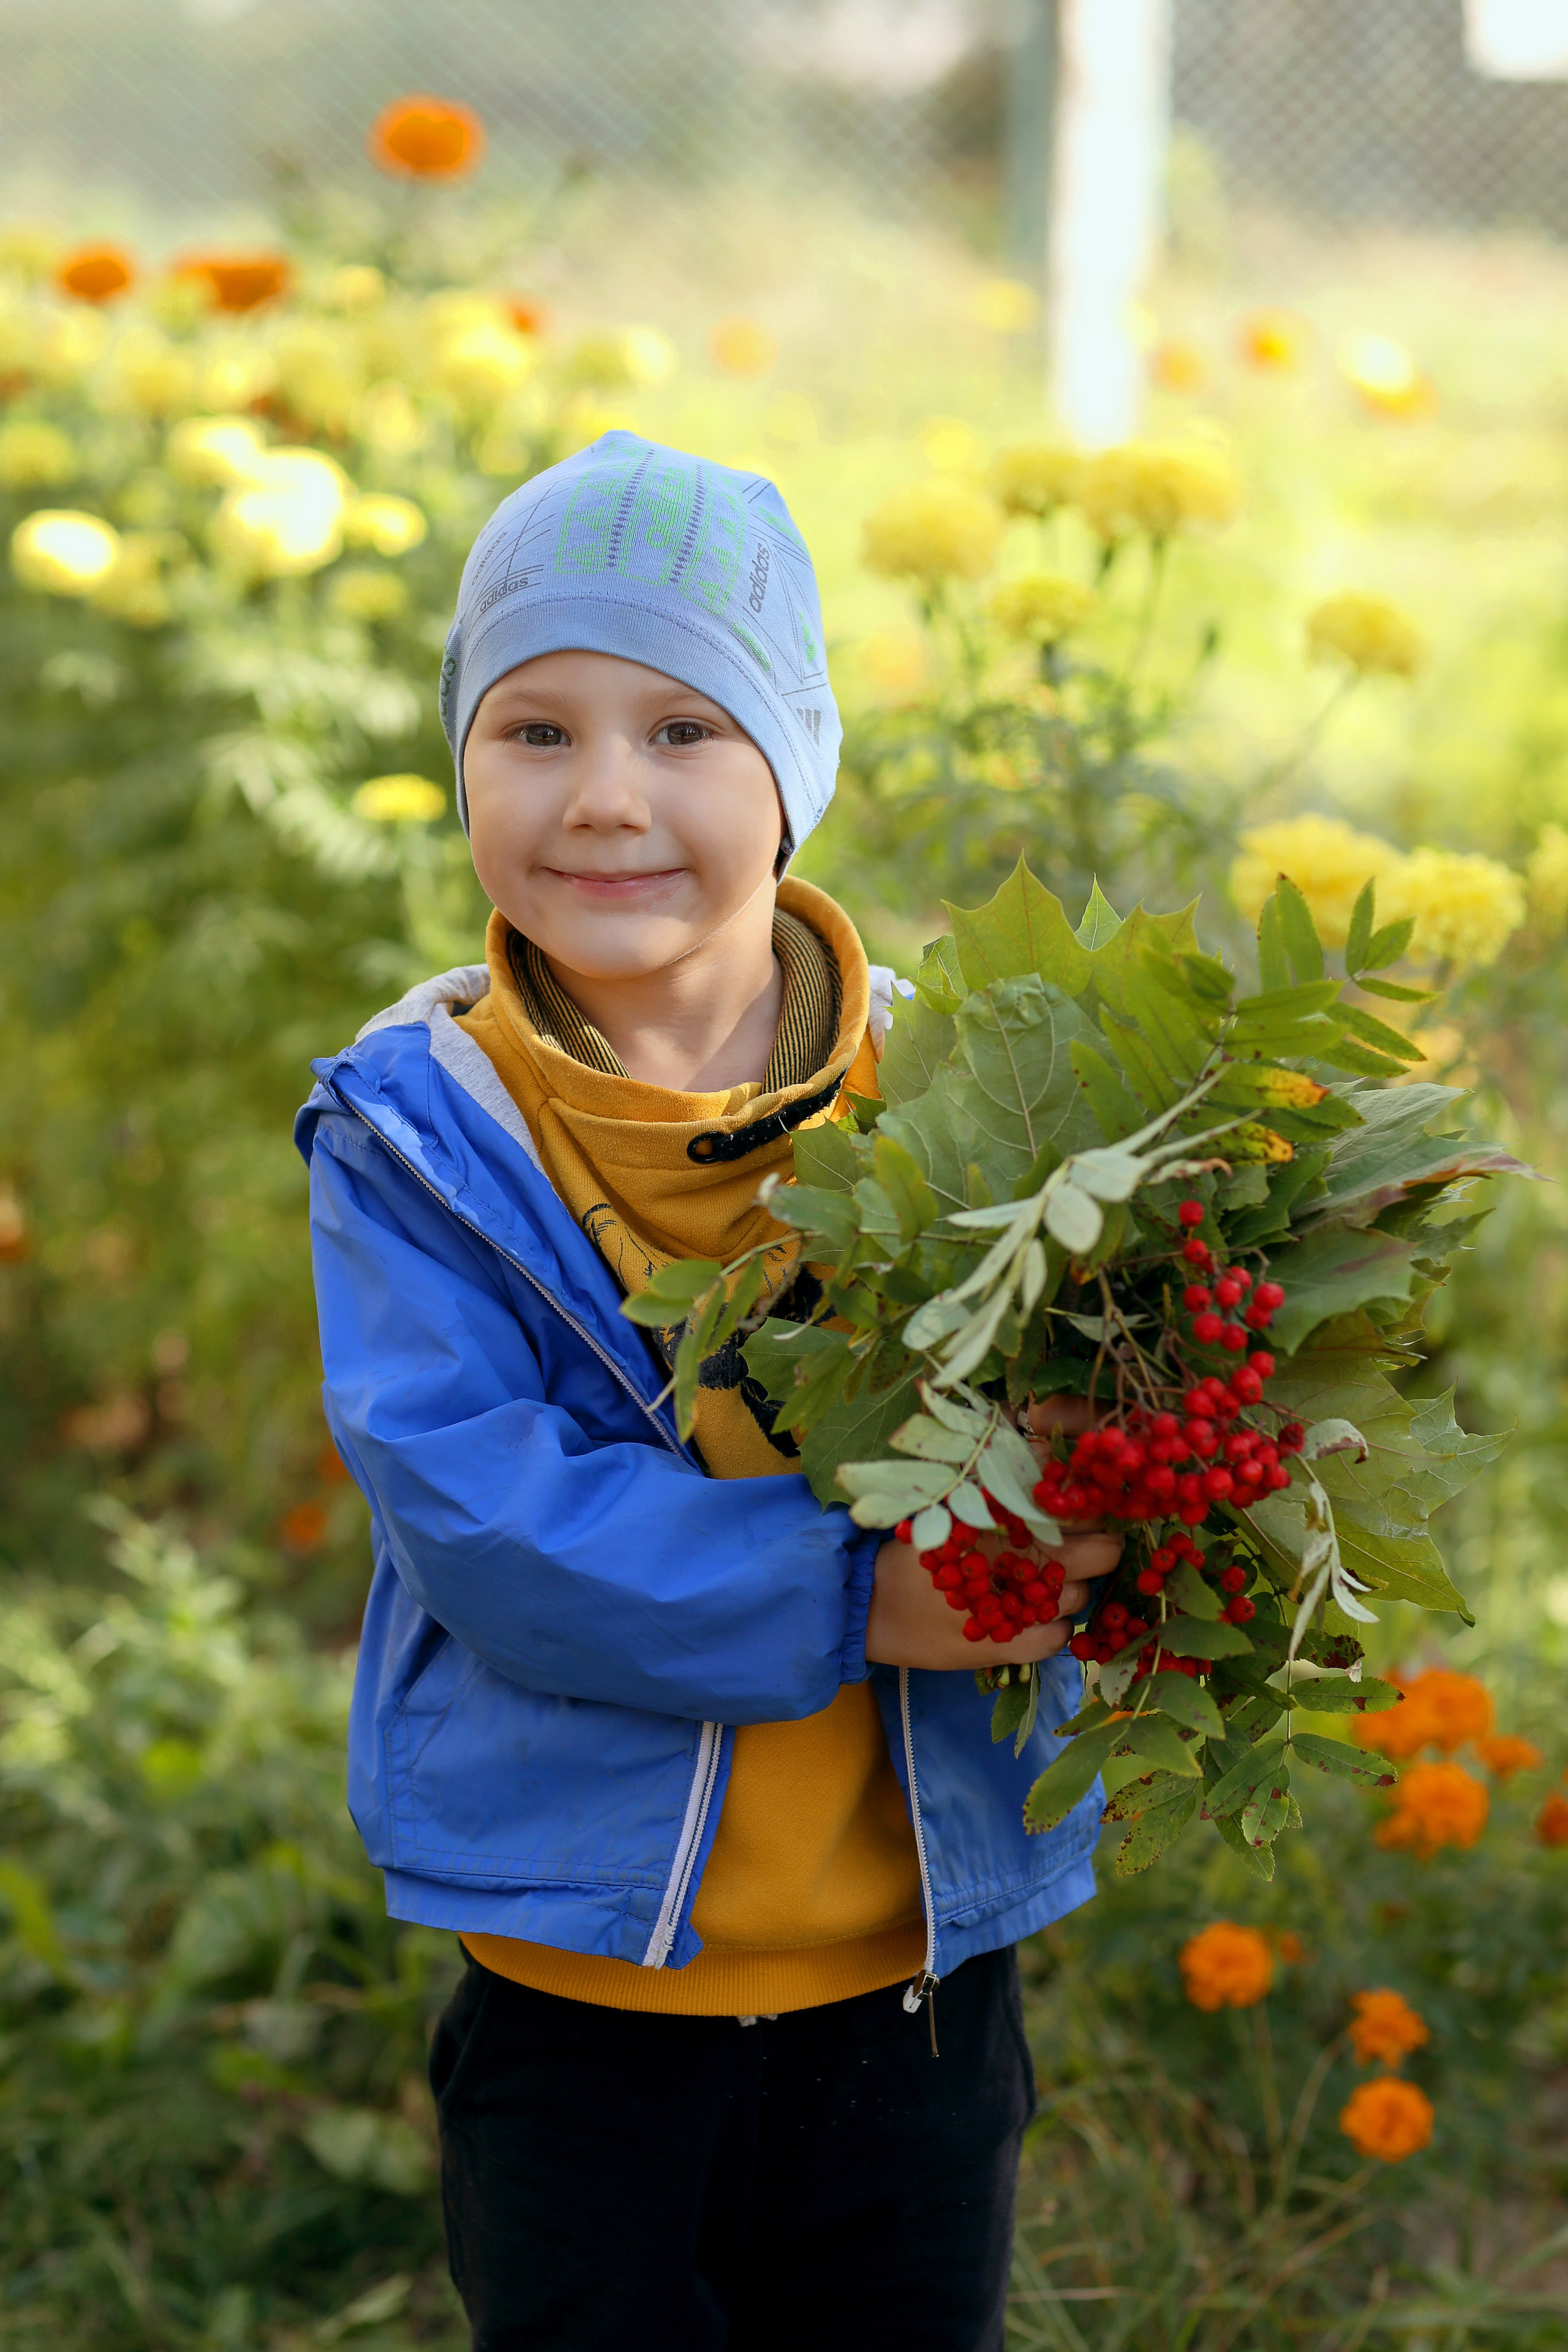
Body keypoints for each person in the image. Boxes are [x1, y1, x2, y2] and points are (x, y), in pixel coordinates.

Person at [296, 432, 1119, 2351]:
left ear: (794, 766)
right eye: (535, 730)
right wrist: (853, 1591)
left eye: (682, 730)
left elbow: (1089, 1401)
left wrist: (1164, 1501)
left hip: (913, 1976)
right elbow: (484, 1517)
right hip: (587, 1996)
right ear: (465, 764)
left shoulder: (968, 1098)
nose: (604, 799)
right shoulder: (421, 1132)